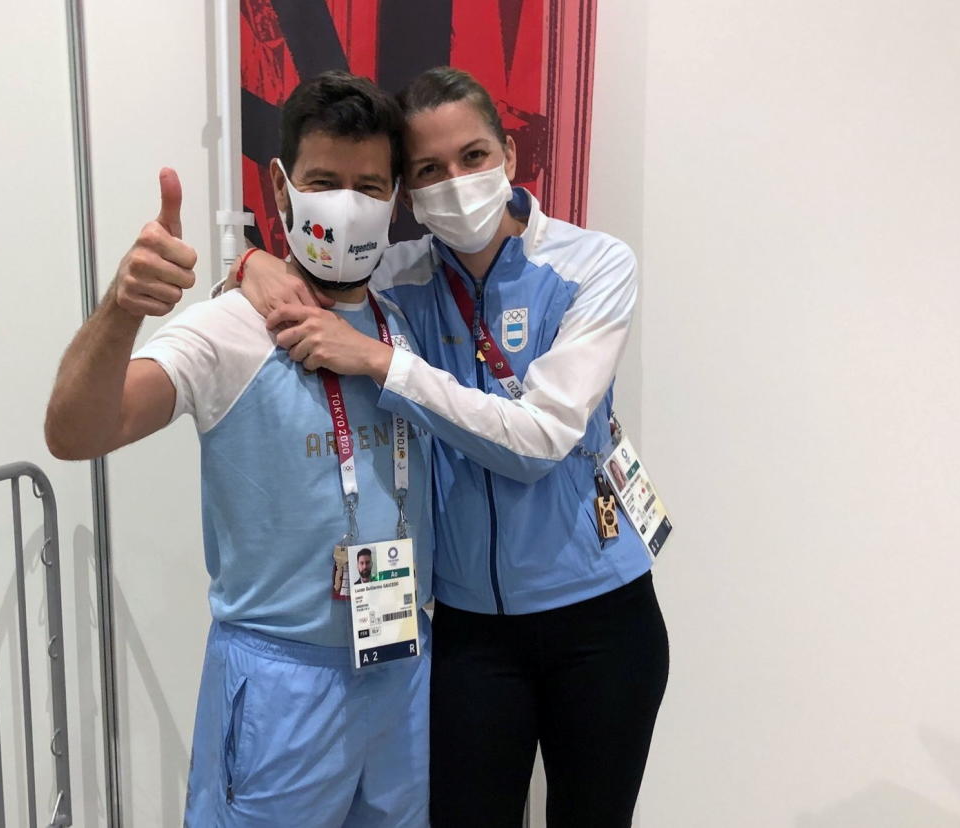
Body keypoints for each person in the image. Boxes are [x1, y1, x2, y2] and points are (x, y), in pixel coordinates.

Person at [229, 66, 669, 827]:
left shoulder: (595, 264)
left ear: (510, 158)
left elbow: (540, 441)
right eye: (428, 170)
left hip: (601, 619)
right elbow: (306, 275)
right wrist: (250, 263)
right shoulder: (400, 276)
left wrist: (382, 362)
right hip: (469, 631)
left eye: (472, 157)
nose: (454, 182)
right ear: (405, 191)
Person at [45, 71, 432, 827]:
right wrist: (122, 310)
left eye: (368, 185)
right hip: (283, 685)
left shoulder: (401, 324)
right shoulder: (226, 330)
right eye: (325, 181)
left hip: (401, 670)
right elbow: (77, 432)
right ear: (281, 190)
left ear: (394, 200)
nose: (348, 203)